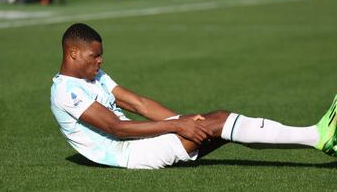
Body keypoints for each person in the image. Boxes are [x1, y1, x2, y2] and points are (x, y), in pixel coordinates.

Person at [50, 23, 337, 169]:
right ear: (73, 52)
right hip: (132, 155)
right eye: (94, 56)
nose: (99, 62)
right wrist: (177, 126)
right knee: (219, 121)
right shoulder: (65, 91)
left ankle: (319, 138)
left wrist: (182, 119)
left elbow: (139, 104)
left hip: (143, 140)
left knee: (220, 122)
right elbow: (117, 128)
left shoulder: (94, 77)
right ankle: (317, 136)